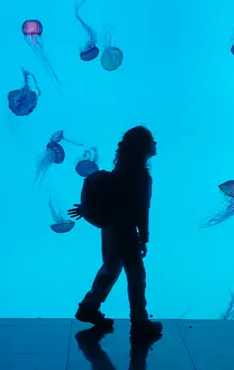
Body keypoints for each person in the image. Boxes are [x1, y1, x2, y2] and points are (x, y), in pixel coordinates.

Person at [67, 126, 163, 338]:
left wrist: (88, 208)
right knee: (136, 274)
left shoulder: (119, 172)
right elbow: (141, 210)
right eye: (152, 141)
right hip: (125, 230)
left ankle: (88, 307)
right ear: (143, 147)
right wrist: (143, 236)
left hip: (109, 228)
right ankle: (140, 321)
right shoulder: (141, 176)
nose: (155, 144)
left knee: (110, 269)